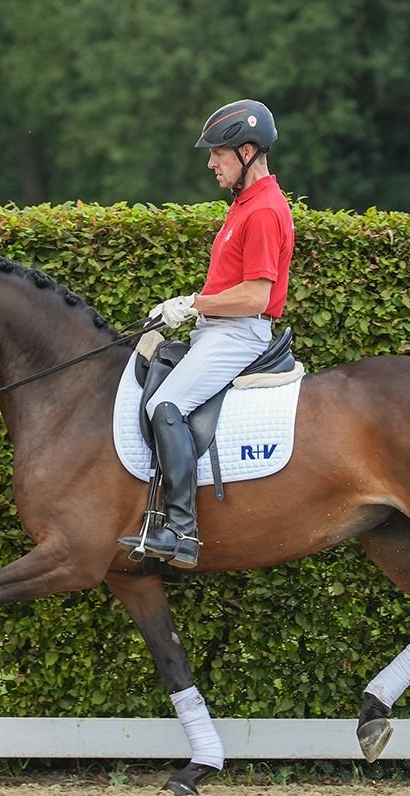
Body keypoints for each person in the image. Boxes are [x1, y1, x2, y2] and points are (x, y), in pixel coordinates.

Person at [118, 99, 295, 569]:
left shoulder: (262, 211)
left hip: (238, 334)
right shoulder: (245, 204)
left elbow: (256, 297)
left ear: (248, 151)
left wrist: (191, 303)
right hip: (219, 329)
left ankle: (181, 528)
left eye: (218, 152)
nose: (210, 162)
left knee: (164, 404)